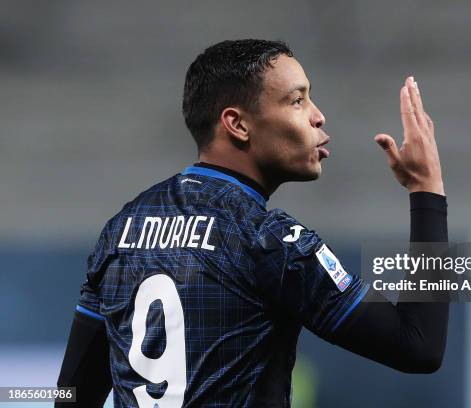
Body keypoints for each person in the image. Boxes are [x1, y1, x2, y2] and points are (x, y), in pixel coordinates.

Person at [56, 39, 449, 408]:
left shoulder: (122, 229)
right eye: (297, 100)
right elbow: (418, 345)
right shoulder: (269, 242)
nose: (318, 116)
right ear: (237, 124)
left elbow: (72, 395)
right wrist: (426, 190)